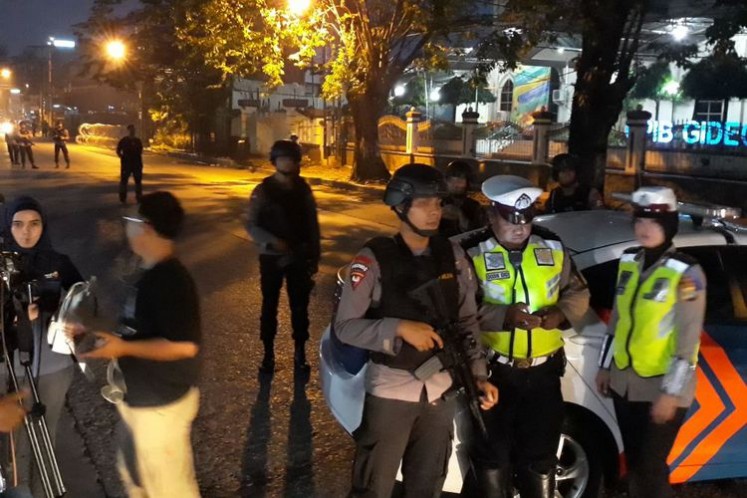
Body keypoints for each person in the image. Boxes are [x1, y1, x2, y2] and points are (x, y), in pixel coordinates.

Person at [335, 163, 498, 498]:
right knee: (372, 487)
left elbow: (467, 319)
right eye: (424, 204)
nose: (434, 212)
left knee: (427, 486)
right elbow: (346, 328)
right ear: (400, 206)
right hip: (391, 392)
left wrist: (479, 375)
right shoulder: (373, 259)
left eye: (437, 203)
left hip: (440, 393)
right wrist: (398, 328)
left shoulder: (451, 254)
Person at [463, 175, 590, 498]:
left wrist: (559, 314)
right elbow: (459, 312)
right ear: (492, 216)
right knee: (493, 458)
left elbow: (577, 292)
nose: (521, 228)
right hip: (495, 374)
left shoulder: (552, 246)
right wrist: (504, 316)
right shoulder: (469, 252)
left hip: (544, 374)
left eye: (527, 219)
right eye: (511, 220)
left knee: (541, 458)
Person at [74, 191, 202, 498]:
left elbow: (184, 346)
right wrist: (91, 329)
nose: (125, 227)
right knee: (135, 477)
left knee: (169, 489)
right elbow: (135, 330)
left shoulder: (171, 280)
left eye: (130, 220)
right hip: (139, 400)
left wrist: (123, 349)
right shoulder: (149, 272)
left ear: (145, 227)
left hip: (160, 407)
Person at [595, 187, 705, 498]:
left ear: (669, 226)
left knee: (650, 468)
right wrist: (605, 366)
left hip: (663, 387)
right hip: (625, 383)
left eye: (654, 223)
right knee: (635, 465)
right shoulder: (629, 261)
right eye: (640, 220)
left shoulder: (687, 272)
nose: (645, 228)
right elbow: (618, 319)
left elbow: (688, 337)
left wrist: (671, 393)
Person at [2, 195, 85, 496]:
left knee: (45, 435)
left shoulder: (58, 262)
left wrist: (78, 321)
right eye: (18, 224)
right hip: (8, 366)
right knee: (10, 442)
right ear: (6, 226)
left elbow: (84, 300)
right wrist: (18, 316)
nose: (26, 232)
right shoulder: (2, 264)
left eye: (34, 224)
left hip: (52, 367)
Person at [245, 140, 320, 374]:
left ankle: (300, 352)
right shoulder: (263, 190)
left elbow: (312, 224)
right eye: (283, 158)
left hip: (299, 256)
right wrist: (271, 241)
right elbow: (251, 224)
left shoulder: (303, 190)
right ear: (275, 161)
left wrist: (314, 256)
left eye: (291, 158)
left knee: (300, 307)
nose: (288, 162)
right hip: (271, 258)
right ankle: (268, 353)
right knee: (270, 306)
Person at [438, 160, 486, 237]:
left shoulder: (474, 207)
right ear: (446, 181)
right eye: (452, 180)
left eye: (461, 180)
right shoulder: (437, 202)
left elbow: (478, 233)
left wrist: (460, 215)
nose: (457, 184)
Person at [116, 125, 144, 204]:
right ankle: (123, 197)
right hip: (127, 164)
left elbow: (140, 151)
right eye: (131, 130)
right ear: (128, 131)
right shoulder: (124, 140)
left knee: (138, 181)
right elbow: (118, 150)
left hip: (136, 163)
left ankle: (139, 196)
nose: (132, 132)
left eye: (133, 130)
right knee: (124, 181)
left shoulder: (138, 141)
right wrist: (123, 158)